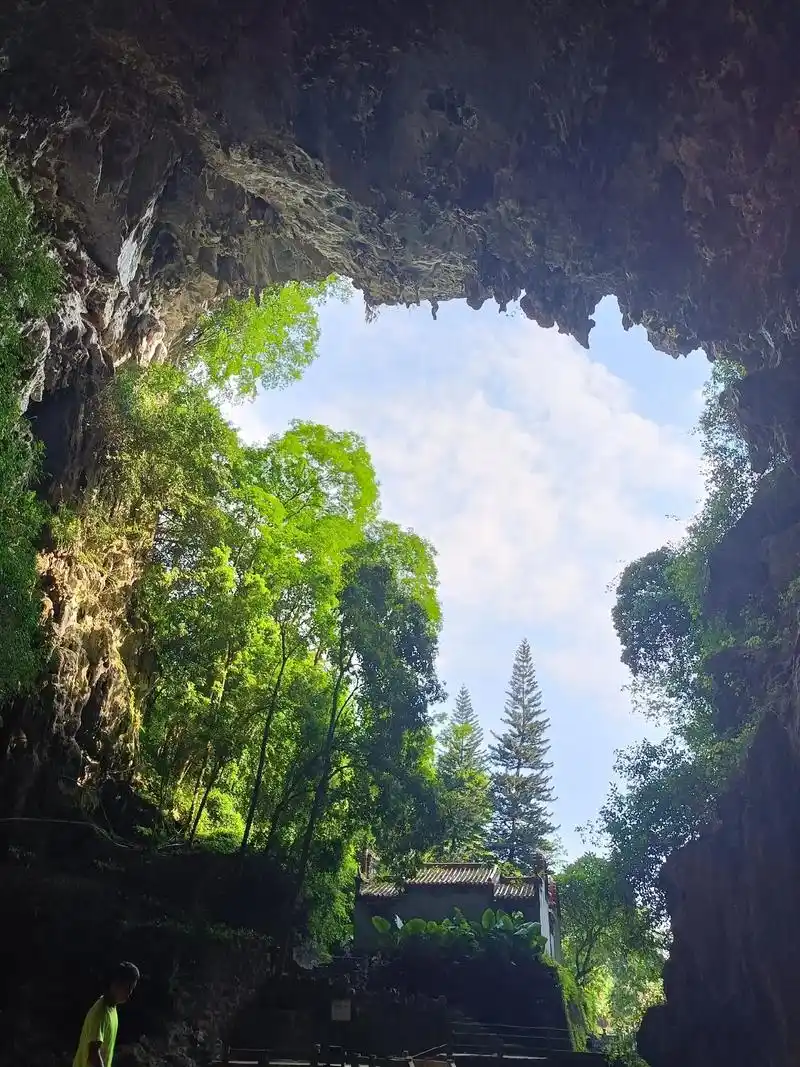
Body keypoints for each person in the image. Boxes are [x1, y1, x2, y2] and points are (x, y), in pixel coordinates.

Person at [73, 962, 140, 1067]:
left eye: (132, 989)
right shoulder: (100, 1014)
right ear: (116, 984)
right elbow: (93, 1055)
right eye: (128, 988)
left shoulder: (112, 1009)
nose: (130, 993)